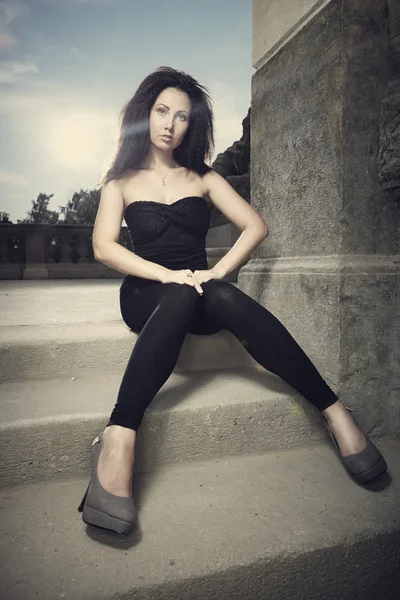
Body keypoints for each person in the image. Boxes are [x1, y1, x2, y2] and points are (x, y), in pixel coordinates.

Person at [78, 66, 387, 535]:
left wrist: (217, 271)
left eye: (181, 116)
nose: (169, 124)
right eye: (162, 111)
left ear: (191, 126)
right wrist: (167, 274)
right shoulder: (120, 182)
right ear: (145, 113)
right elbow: (105, 247)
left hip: (200, 289)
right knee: (181, 294)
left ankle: (333, 410)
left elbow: (255, 227)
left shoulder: (203, 177)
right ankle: (119, 436)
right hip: (146, 295)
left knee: (221, 295)